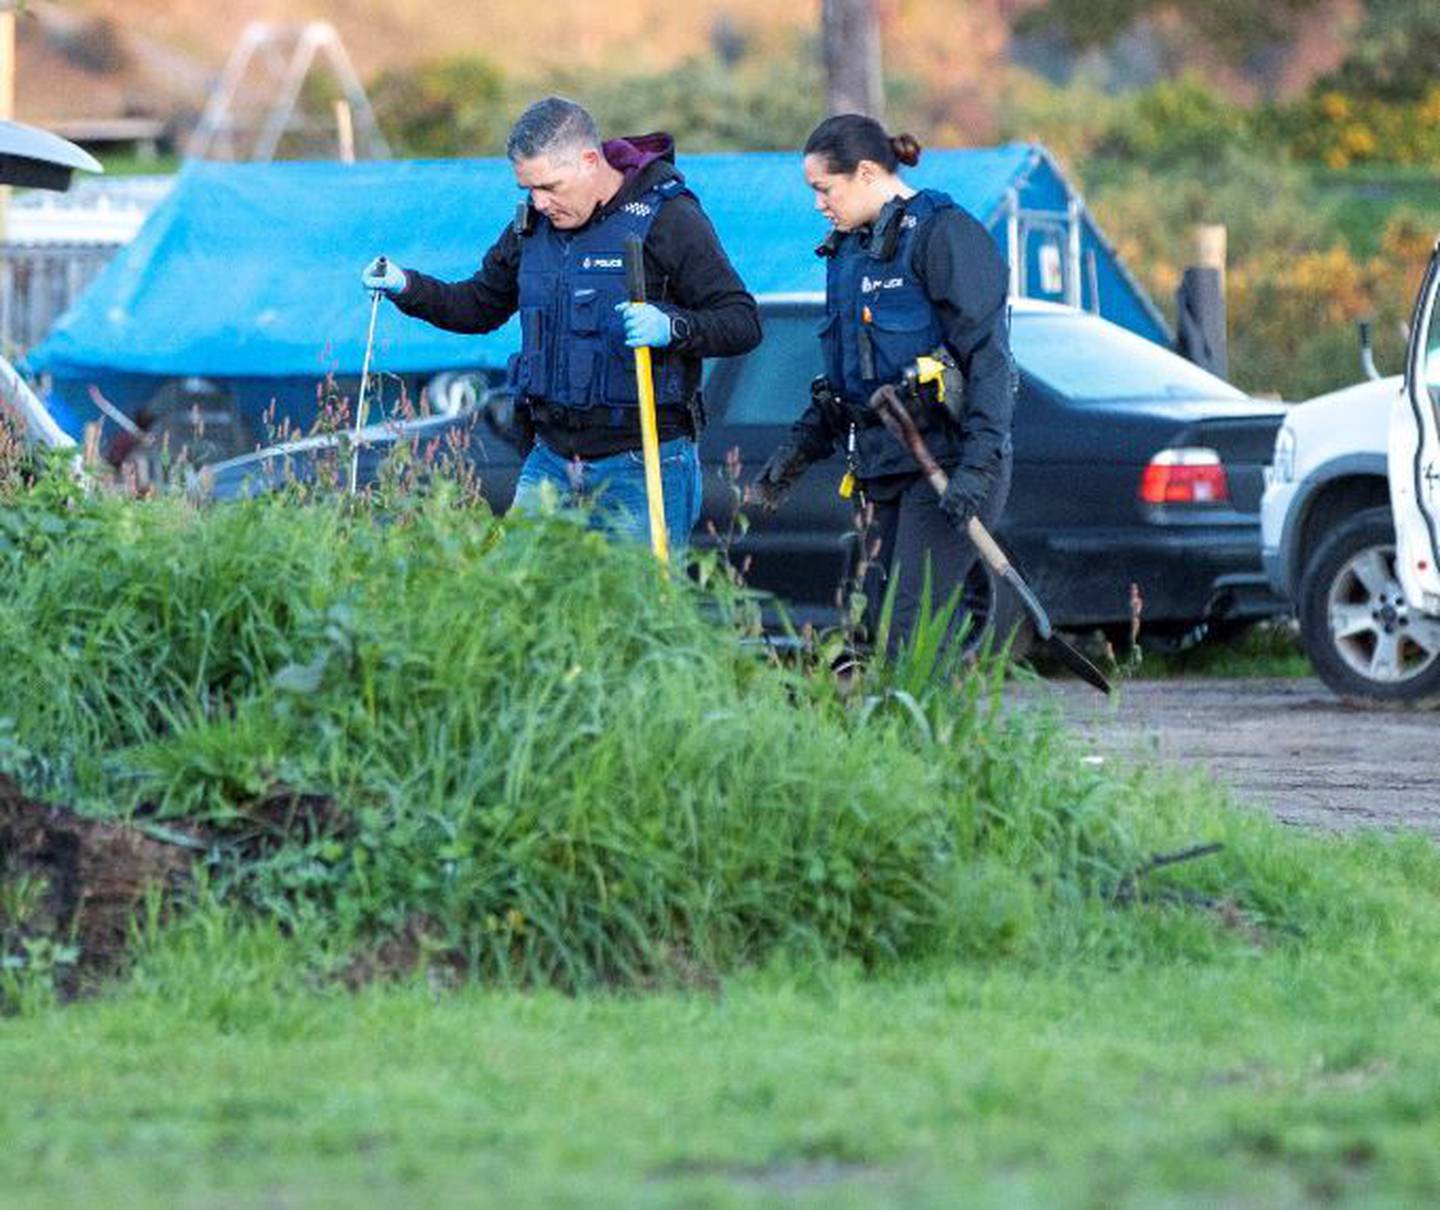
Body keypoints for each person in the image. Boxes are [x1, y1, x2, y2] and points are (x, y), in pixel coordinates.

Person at [361, 96, 760, 547]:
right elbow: (477, 306)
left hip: (641, 461)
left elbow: (741, 321)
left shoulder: (669, 217)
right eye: (528, 189)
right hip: (549, 460)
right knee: (520, 600)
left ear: (590, 161)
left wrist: (673, 327)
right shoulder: (530, 229)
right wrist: (407, 287)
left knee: (629, 609)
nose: (540, 202)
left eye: (550, 186)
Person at [749, 113, 1015, 654]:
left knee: (911, 625)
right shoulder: (849, 250)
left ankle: (926, 733)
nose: (819, 204)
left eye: (825, 189)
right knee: (879, 614)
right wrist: (799, 450)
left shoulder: (944, 234)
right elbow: (850, 379)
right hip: (882, 464)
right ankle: (898, 730)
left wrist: (977, 466)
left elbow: (990, 360)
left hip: (943, 464)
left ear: (867, 172)